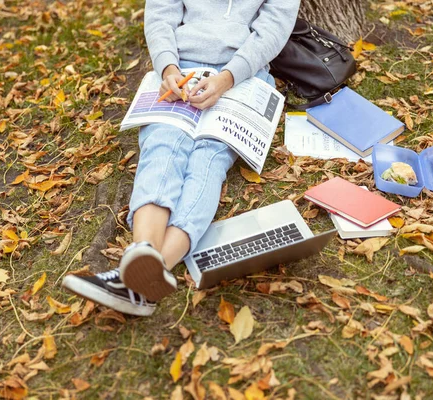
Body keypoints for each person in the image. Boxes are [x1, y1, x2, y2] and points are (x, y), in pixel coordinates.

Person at [62, 0, 300, 316]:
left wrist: (227, 77)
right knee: (162, 147)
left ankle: (138, 277)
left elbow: (273, 28)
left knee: (208, 161)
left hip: (244, 79)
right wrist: (168, 67)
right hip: (181, 69)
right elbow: (161, 13)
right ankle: (145, 259)